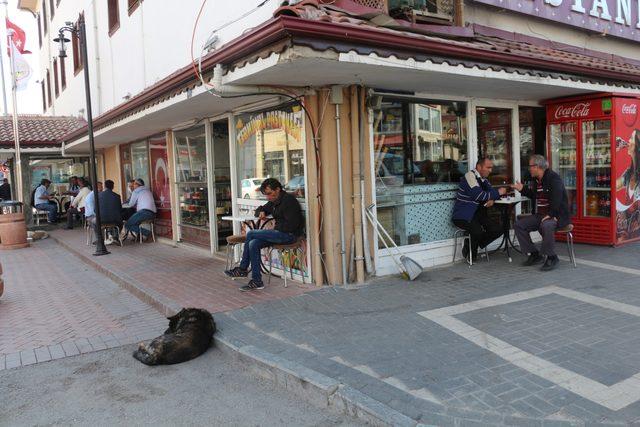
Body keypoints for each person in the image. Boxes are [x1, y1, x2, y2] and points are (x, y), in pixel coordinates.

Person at [224, 178, 304, 292]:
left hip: (289, 235)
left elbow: (292, 225)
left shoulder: (289, 201)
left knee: (251, 233)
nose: (268, 197)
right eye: (266, 195)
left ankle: (242, 269)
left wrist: (273, 232)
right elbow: (261, 209)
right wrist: (261, 212)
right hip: (278, 234)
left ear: (277, 189)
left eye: (270, 194)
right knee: (253, 243)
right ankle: (257, 281)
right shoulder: (274, 201)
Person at [513, 154, 570, 271]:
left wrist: (551, 215)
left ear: (538, 166)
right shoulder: (537, 180)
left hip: (556, 216)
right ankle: (534, 254)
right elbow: (535, 196)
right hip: (541, 215)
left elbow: (558, 199)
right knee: (519, 225)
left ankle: (551, 257)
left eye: (530, 166)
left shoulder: (554, 178)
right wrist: (522, 189)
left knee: (546, 225)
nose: (529, 169)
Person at [452, 158, 506, 261]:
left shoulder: (483, 179)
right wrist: (498, 193)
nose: (490, 170)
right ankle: (472, 256)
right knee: (477, 231)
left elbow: (490, 192)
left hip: (478, 214)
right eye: (488, 167)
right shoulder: (469, 176)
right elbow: (479, 195)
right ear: (479, 167)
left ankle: (471, 244)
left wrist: (493, 199)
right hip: (464, 215)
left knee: (498, 229)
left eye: (491, 168)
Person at [99, 180, 123, 245]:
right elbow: (120, 209)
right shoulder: (117, 196)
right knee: (121, 222)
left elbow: (95, 210)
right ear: (113, 187)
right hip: (114, 220)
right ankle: (115, 237)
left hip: (101, 220)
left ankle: (100, 239)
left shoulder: (99, 195)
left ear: (105, 186)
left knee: (95, 223)